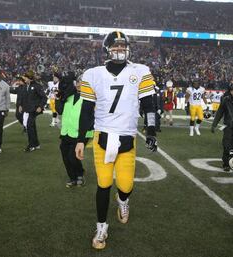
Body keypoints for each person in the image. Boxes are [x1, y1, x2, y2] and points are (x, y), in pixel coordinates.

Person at [75, 31, 158, 250]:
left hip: (127, 135)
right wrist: (81, 139)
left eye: (123, 46)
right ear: (107, 49)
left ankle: (123, 201)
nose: (120, 50)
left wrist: (151, 130)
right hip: (102, 134)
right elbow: (86, 110)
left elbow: (149, 104)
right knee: (103, 183)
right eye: (116, 46)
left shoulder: (140, 71)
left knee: (126, 184)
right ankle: (101, 227)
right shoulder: (93, 74)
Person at [55, 72, 93, 187]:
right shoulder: (69, 96)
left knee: (72, 156)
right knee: (65, 156)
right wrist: (58, 98)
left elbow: (92, 117)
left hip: (81, 133)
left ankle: (80, 174)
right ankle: (73, 177)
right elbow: (60, 111)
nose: (78, 84)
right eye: (77, 82)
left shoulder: (90, 98)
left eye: (82, 82)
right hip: (66, 131)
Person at [19, 70, 47, 152]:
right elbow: (22, 97)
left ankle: (31, 145)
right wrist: (20, 105)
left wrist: (40, 107)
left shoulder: (37, 86)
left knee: (29, 126)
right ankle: (36, 144)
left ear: (29, 78)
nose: (24, 78)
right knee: (32, 127)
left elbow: (44, 97)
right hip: (27, 109)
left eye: (25, 77)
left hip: (34, 110)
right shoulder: (25, 86)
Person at [211, 84, 233, 172]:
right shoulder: (225, 100)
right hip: (228, 126)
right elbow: (219, 113)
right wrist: (214, 124)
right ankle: (226, 164)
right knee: (226, 146)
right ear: (230, 91)